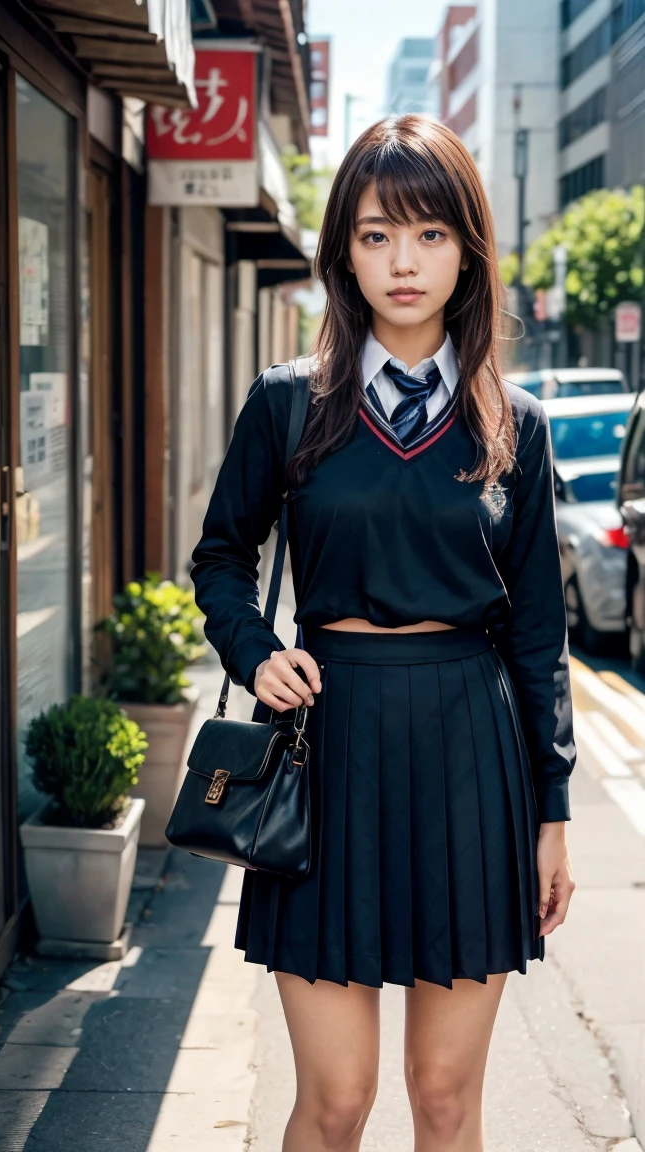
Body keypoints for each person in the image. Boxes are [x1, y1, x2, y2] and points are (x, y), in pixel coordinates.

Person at [191, 114, 577, 1152]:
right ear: (341, 253)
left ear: (467, 250)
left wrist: (552, 809)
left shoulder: (517, 424)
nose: (402, 263)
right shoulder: (287, 405)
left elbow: (540, 633)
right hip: (330, 748)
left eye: (428, 234)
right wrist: (257, 655)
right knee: (338, 1099)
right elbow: (220, 558)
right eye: (374, 235)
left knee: (447, 1100)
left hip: (471, 753)